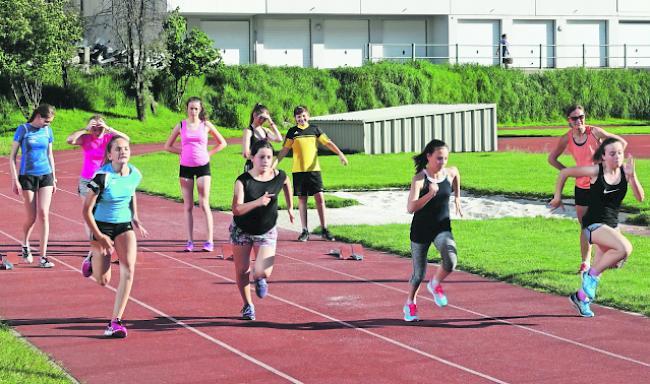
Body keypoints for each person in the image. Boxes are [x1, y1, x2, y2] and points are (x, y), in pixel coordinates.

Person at [549, 138, 643, 318]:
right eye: (612, 153)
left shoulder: (625, 172)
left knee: (605, 265)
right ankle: (588, 277)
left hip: (611, 227)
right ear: (603, 157)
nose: (617, 157)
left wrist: (633, 177)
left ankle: (581, 298)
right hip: (593, 224)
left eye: (620, 153)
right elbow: (565, 173)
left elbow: (640, 198)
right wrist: (557, 197)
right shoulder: (595, 171)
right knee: (624, 248)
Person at [81, 136, 148, 337]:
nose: (123, 152)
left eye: (126, 148)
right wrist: (100, 237)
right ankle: (92, 257)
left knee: (129, 270)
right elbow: (86, 211)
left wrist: (134, 216)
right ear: (110, 155)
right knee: (103, 280)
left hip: (123, 225)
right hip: (100, 226)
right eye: (118, 149)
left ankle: (115, 322)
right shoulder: (102, 177)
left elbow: (130, 192)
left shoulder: (135, 174)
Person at [548, 105, 627, 273]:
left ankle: (618, 252)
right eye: (574, 118)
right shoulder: (566, 138)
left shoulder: (594, 132)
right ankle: (585, 263)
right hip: (581, 187)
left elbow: (619, 143)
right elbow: (552, 159)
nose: (579, 121)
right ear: (569, 121)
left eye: (581, 117)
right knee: (585, 226)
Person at [231, 140, 294, 320]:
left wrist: (290, 207)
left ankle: (260, 279)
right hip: (241, 229)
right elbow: (236, 209)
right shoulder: (243, 181)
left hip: (266, 229)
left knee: (263, 271)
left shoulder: (279, 176)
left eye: (269, 157)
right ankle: (247, 305)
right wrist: (258, 202)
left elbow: (287, 184)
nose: (266, 161)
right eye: (261, 157)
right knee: (242, 270)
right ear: (252, 158)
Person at [403, 139, 463, 322]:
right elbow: (410, 208)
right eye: (438, 158)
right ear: (428, 156)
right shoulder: (420, 179)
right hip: (421, 230)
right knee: (418, 274)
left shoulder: (450, 172)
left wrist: (457, 198)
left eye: (445, 158)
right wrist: (430, 194)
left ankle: (435, 283)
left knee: (451, 261)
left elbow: (456, 174)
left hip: (441, 227)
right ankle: (410, 303)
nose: (442, 162)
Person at [275, 105, 348, 242]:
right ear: (295, 118)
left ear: (308, 115)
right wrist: (274, 163)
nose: (301, 119)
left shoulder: (315, 129)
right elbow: (285, 150)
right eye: (298, 117)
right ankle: (304, 230)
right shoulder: (292, 132)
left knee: (319, 198)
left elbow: (328, 143)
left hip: (314, 170)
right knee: (302, 200)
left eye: (303, 116)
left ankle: (324, 229)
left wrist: (340, 154)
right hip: (299, 171)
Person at [164, 97, 227, 252]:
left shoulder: (206, 125)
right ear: (187, 109)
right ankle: (190, 241)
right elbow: (167, 146)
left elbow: (222, 143)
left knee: (204, 203)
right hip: (185, 168)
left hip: (202, 167)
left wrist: (209, 153)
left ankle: (209, 241)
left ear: (200, 110)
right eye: (191, 108)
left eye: (196, 109)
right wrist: (182, 151)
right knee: (188, 206)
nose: (193, 111)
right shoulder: (181, 125)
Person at [67, 115, 129, 245]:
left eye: (99, 128)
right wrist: (85, 129)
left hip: (105, 180)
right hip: (87, 181)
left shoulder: (109, 139)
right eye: (94, 128)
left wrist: (108, 128)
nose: (96, 131)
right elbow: (70, 140)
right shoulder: (86, 138)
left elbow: (126, 139)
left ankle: (105, 239)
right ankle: (93, 245)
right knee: (89, 212)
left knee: (104, 212)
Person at [8, 104, 57, 268]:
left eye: (50, 122)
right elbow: (12, 157)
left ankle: (43, 256)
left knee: (44, 214)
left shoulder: (48, 131)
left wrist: (54, 177)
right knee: (32, 217)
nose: (48, 124)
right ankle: (25, 243)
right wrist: (15, 180)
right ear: (38, 116)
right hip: (27, 176)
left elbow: (50, 154)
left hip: (46, 175)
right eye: (46, 121)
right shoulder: (23, 129)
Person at [242, 103, 282, 172]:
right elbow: (245, 154)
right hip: (252, 167)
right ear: (254, 115)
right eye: (261, 118)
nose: (262, 121)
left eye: (264, 119)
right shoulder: (248, 131)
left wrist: (270, 121)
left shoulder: (265, 130)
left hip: (265, 167)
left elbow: (279, 139)